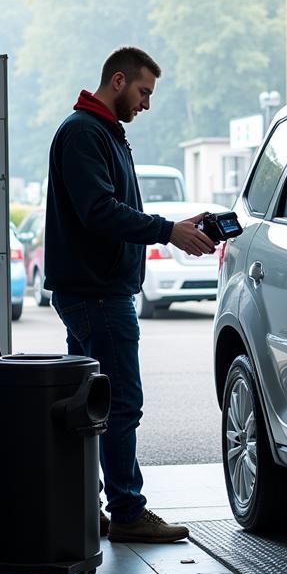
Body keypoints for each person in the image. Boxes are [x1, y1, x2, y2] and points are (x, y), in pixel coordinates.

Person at [44, 46, 216, 543]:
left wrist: (178, 227)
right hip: (96, 294)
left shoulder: (103, 133)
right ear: (117, 81)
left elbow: (110, 206)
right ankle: (126, 511)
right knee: (119, 404)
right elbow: (100, 211)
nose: (146, 104)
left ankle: (87, 504)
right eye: (143, 92)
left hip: (95, 290)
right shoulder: (83, 133)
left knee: (91, 405)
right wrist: (168, 232)